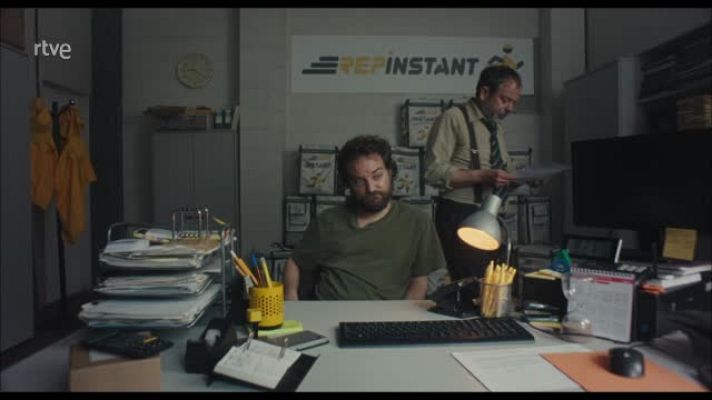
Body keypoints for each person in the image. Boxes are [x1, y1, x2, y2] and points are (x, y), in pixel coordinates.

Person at [284, 135, 446, 301]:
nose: (371, 188)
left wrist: (403, 314)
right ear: (348, 185)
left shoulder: (417, 221)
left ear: (390, 173)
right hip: (329, 309)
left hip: (386, 312)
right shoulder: (327, 220)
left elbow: (419, 280)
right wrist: (291, 298)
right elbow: (295, 262)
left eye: (377, 176)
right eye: (359, 181)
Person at [424, 65, 522, 281]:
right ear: (484, 92)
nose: (510, 108)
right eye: (505, 100)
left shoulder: (495, 127)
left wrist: (525, 178)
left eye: (514, 103)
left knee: (491, 284)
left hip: (491, 217)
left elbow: (504, 168)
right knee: (470, 285)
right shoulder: (453, 118)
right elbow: (432, 171)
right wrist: (481, 176)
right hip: (460, 215)